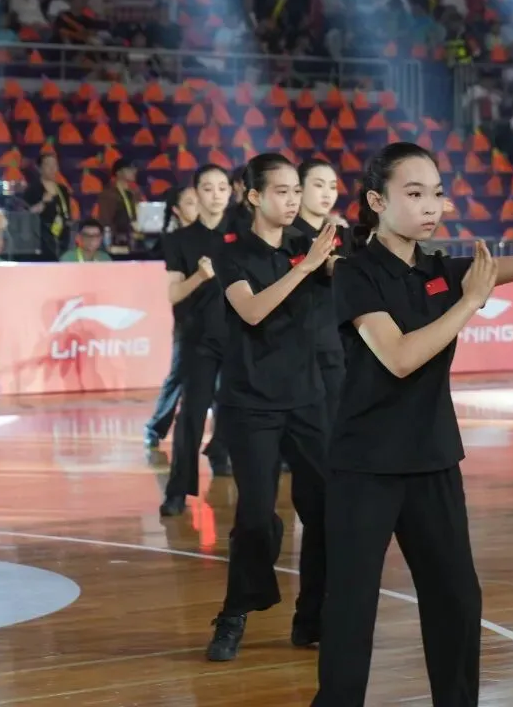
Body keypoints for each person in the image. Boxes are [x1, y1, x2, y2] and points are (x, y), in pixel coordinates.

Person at [312, 142, 513, 706]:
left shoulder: (442, 269)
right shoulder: (355, 274)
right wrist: (470, 303)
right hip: (366, 466)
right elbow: (400, 357)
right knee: (351, 611)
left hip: (433, 459)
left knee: (457, 600)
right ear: (377, 201)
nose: (430, 205)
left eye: (436, 193)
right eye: (414, 194)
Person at [204, 153, 336, 660]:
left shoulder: (309, 245)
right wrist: (307, 268)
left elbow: (343, 275)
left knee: (325, 512)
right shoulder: (231, 251)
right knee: (256, 517)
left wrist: (322, 261)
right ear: (254, 196)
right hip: (250, 404)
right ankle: (234, 612)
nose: (293, 200)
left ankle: (313, 618)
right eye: (282, 191)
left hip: (308, 399)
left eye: (297, 191)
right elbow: (253, 310)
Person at [159, 167, 233, 517]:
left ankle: (220, 451)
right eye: (208, 188)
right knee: (191, 416)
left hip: (239, 337)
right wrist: (200, 276)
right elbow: (173, 294)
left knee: (239, 409)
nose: (216, 194)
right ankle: (177, 491)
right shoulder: (180, 240)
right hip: (198, 338)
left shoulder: (244, 234)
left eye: (222, 188)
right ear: (197, 194)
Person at [292, 159, 351, 422]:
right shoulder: (285, 235)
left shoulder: (342, 234)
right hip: (293, 346)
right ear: (299, 189)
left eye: (332, 186)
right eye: (318, 185)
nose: (327, 193)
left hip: (333, 343)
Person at [145, 186, 199, 449]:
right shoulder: (173, 242)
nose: (197, 205)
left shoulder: (219, 236)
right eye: (190, 202)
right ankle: (156, 428)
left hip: (219, 317)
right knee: (179, 374)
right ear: (176, 210)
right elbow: (174, 289)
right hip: (189, 319)